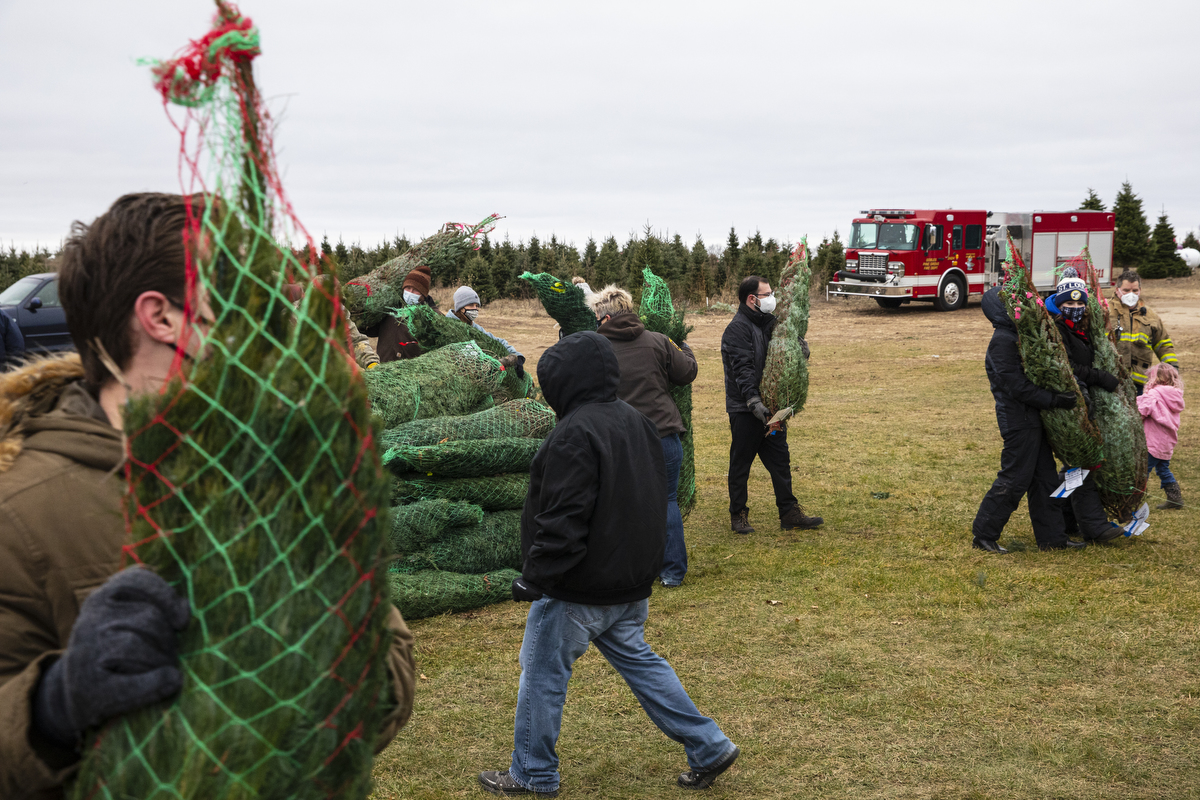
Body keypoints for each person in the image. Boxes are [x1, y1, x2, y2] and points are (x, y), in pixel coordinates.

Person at [0, 193, 416, 799]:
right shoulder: (22, 513)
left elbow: (391, 689)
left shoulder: (276, 471)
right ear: (162, 317)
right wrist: (53, 706)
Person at [479, 331, 738, 797]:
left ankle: (533, 771)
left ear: (563, 382)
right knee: (640, 661)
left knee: (541, 671)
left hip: (578, 587)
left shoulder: (572, 435)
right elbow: (653, 501)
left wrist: (536, 577)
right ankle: (709, 744)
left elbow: (562, 518)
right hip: (627, 582)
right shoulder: (636, 421)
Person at [591, 285, 698, 587]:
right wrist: (683, 347)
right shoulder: (658, 341)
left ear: (607, 317)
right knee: (666, 501)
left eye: (598, 319)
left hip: (617, 440)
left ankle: (631, 569)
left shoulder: (593, 348)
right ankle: (673, 572)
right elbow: (687, 372)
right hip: (662, 434)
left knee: (619, 504)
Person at [973, 287, 1083, 553]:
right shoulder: (1002, 341)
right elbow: (1018, 388)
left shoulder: (1019, 336)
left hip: (1033, 418)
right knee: (1014, 478)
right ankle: (984, 535)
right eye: (1013, 306)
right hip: (1018, 421)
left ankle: (1053, 538)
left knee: (1045, 478)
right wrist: (1055, 400)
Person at [720, 274, 821, 535]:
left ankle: (789, 512)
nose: (772, 299)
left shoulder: (771, 324)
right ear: (752, 299)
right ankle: (738, 514)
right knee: (741, 463)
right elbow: (742, 370)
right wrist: (754, 403)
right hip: (746, 410)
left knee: (780, 460)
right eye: (767, 295)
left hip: (772, 410)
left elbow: (784, 357)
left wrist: (799, 348)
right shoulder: (737, 330)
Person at [1044, 270, 1123, 543]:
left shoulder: (1082, 328)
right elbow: (1068, 368)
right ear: (1059, 303)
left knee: (1074, 466)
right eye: (1069, 304)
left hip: (1083, 403)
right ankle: (1094, 527)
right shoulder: (1055, 330)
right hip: (1070, 407)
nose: (1075, 308)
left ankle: (1063, 518)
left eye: (1080, 304)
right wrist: (1101, 378)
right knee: (1083, 464)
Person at [1109, 270, 1179, 394]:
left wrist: (1172, 368)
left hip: (1140, 384)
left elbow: (1163, 344)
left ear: (1140, 290)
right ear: (1117, 290)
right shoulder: (1105, 312)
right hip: (1111, 381)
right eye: (1126, 290)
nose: (1131, 294)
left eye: (1135, 290)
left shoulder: (1151, 316)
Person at [360, 265, 435, 362]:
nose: (410, 292)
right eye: (407, 288)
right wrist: (361, 322)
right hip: (384, 367)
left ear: (423, 294)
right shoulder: (391, 308)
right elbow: (373, 331)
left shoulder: (431, 316)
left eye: (415, 290)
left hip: (410, 373)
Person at [448, 285, 525, 377]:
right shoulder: (447, 328)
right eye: (471, 305)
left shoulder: (475, 328)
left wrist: (517, 356)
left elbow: (497, 341)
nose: (475, 309)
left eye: (477, 306)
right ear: (460, 307)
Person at [1138, 363, 1185, 509]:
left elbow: (1140, 413)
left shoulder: (1153, 395)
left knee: (1141, 471)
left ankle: (1133, 500)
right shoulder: (1175, 396)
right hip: (1167, 442)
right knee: (1163, 469)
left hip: (1152, 442)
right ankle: (1175, 498)